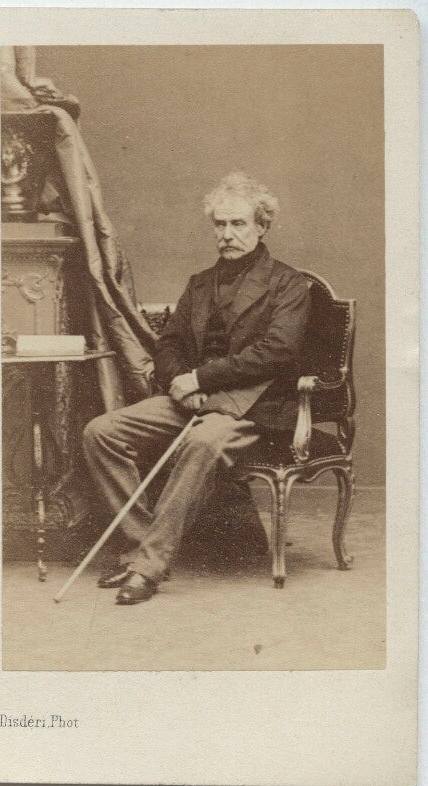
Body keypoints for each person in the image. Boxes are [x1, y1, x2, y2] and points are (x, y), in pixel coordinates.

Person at [83, 173, 310, 604]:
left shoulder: (288, 283)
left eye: (238, 224)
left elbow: (278, 352)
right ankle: (140, 546)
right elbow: (168, 344)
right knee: (102, 432)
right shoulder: (200, 283)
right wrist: (180, 384)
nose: (227, 234)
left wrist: (203, 379)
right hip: (193, 398)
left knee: (202, 441)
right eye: (220, 224)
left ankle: (148, 568)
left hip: (253, 406)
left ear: (262, 226)